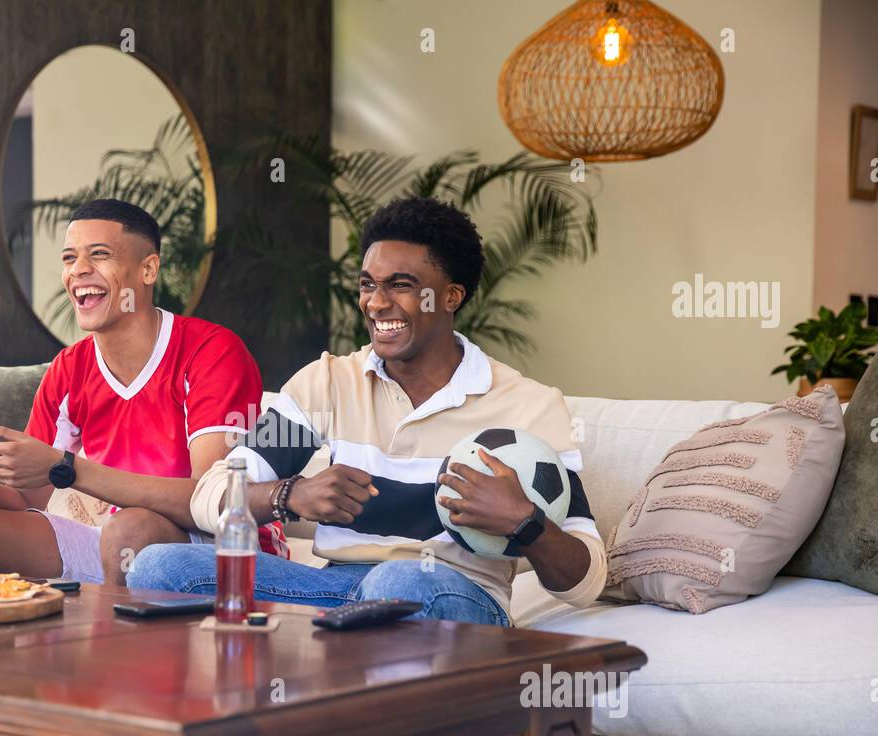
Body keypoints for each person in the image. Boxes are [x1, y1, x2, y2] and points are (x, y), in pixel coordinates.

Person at [127, 197, 606, 623]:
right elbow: (212, 492)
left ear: (451, 296)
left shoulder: (526, 406)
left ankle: (335, 645)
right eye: (367, 285)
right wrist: (290, 495)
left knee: (395, 583)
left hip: (451, 595)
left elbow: (586, 582)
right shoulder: (330, 383)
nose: (376, 303)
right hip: (331, 589)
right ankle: (315, 659)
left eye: (400, 285)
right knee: (158, 565)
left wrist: (527, 523)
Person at [0, 199, 285, 583]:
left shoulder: (212, 352)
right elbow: (27, 500)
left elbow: (213, 500)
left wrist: (67, 468)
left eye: (99, 255)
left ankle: (107, 641)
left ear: (148, 269)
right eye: (70, 259)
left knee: (130, 533)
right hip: (116, 542)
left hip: (219, 543)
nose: (79, 270)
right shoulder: (69, 368)